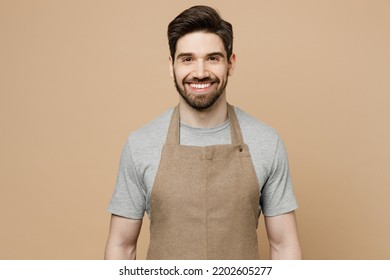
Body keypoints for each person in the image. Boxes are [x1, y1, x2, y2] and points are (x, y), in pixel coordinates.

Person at [104, 5, 302, 260]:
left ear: (230, 63)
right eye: (187, 58)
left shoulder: (266, 141)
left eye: (213, 58)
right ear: (171, 65)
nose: (200, 72)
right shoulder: (140, 144)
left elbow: (284, 245)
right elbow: (122, 245)